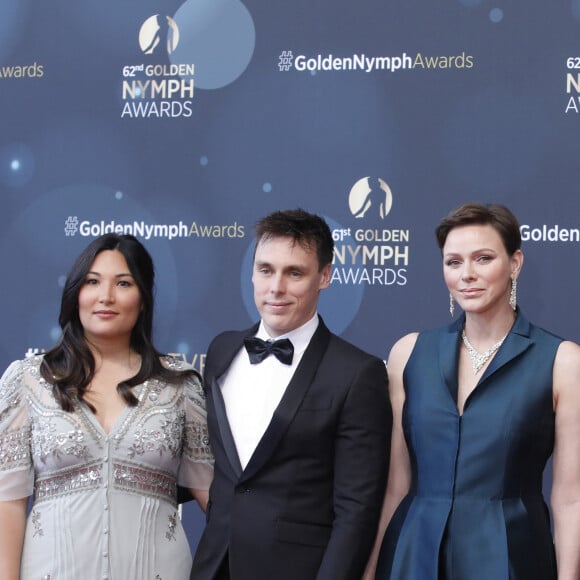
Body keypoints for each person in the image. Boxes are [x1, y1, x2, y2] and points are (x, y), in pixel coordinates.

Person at [363, 203, 580, 579]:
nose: (467, 275)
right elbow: (395, 485)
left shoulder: (562, 361)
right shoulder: (409, 353)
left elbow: (570, 498)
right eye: (453, 262)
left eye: (483, 259)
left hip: (511, 554)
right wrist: (369, 571)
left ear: (515, 264)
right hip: (414, 553)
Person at [190, 208, 392, 580]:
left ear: (325, 276)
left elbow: (356, 509)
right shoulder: (222, 351)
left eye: (294, 273)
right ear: (252, 273)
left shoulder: (357, 373)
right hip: (214, 564)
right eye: (266, 270)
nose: (275, 288)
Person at [0, 233, 214, 580]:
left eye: (123, 283)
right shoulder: (28, 381)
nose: (106, 297)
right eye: (92, 282)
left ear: (143, 298)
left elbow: (218, 507)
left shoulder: (181, 385)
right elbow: (7, 505)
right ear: (76, 294)